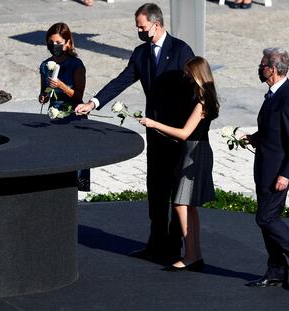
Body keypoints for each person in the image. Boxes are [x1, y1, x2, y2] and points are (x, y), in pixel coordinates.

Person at [75, 3, 194, 263]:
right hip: (154, 132)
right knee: (156, 188)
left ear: (157, 24)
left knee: (176, 190)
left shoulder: (180, 50)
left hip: (176, 132)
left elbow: (193, 88)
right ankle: (156, 243)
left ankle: (174, 247)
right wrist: (93, 103)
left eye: (142, 27)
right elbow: (121, 80)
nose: (139, 31)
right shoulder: (141, 53)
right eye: (138, 27)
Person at [138, 56, 219, 271]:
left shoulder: (201, 101)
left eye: (188, 73)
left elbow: (184, 133)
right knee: (189, 206)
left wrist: (154, 123)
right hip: (198, 150)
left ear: (196, 73)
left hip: (193, 153)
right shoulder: (206, 96)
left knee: (181, 203)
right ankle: (194, 253)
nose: (185, 76)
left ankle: (191, 255)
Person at [245, 48, 289, 288]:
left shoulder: (287, 96)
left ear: (272, 69)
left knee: (266, 218)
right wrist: (255, 138)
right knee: (266, 218)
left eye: (262, 65)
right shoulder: (273, 94)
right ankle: (276, 270)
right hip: (264, 167)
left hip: (278, 173)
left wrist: (286, 174)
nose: (259, 69)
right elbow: (275, 130)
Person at [39, 22, 90, 191]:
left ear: (67, 43)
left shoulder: (76, 65)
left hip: (73, 115)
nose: (54, 46)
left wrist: (61, 85)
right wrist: (43, 96)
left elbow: (78, 96)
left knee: (74, 159)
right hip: (54, 115)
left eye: (58, 43)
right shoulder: (45, 65)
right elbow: (44, 92)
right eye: (51, 43)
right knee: (55, 158)